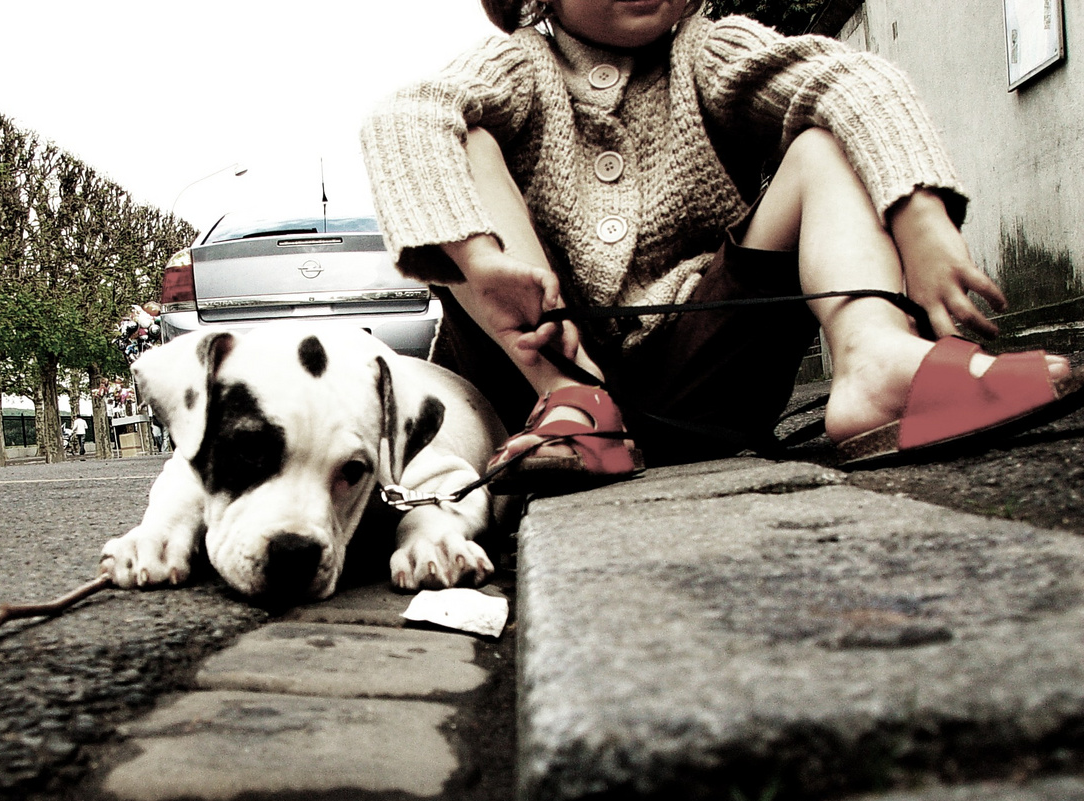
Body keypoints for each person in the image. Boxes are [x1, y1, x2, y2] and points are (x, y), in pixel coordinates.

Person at [360, 0, 1078, 492]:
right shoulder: (515, 66)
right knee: (462, 141)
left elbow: (848, 76)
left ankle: (876, 362)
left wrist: (919, 217)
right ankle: (574, 405)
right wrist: (483, 264)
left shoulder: (710, 52)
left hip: (708, 372)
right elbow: (404, 119)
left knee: (824, 142)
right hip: (542, 370)